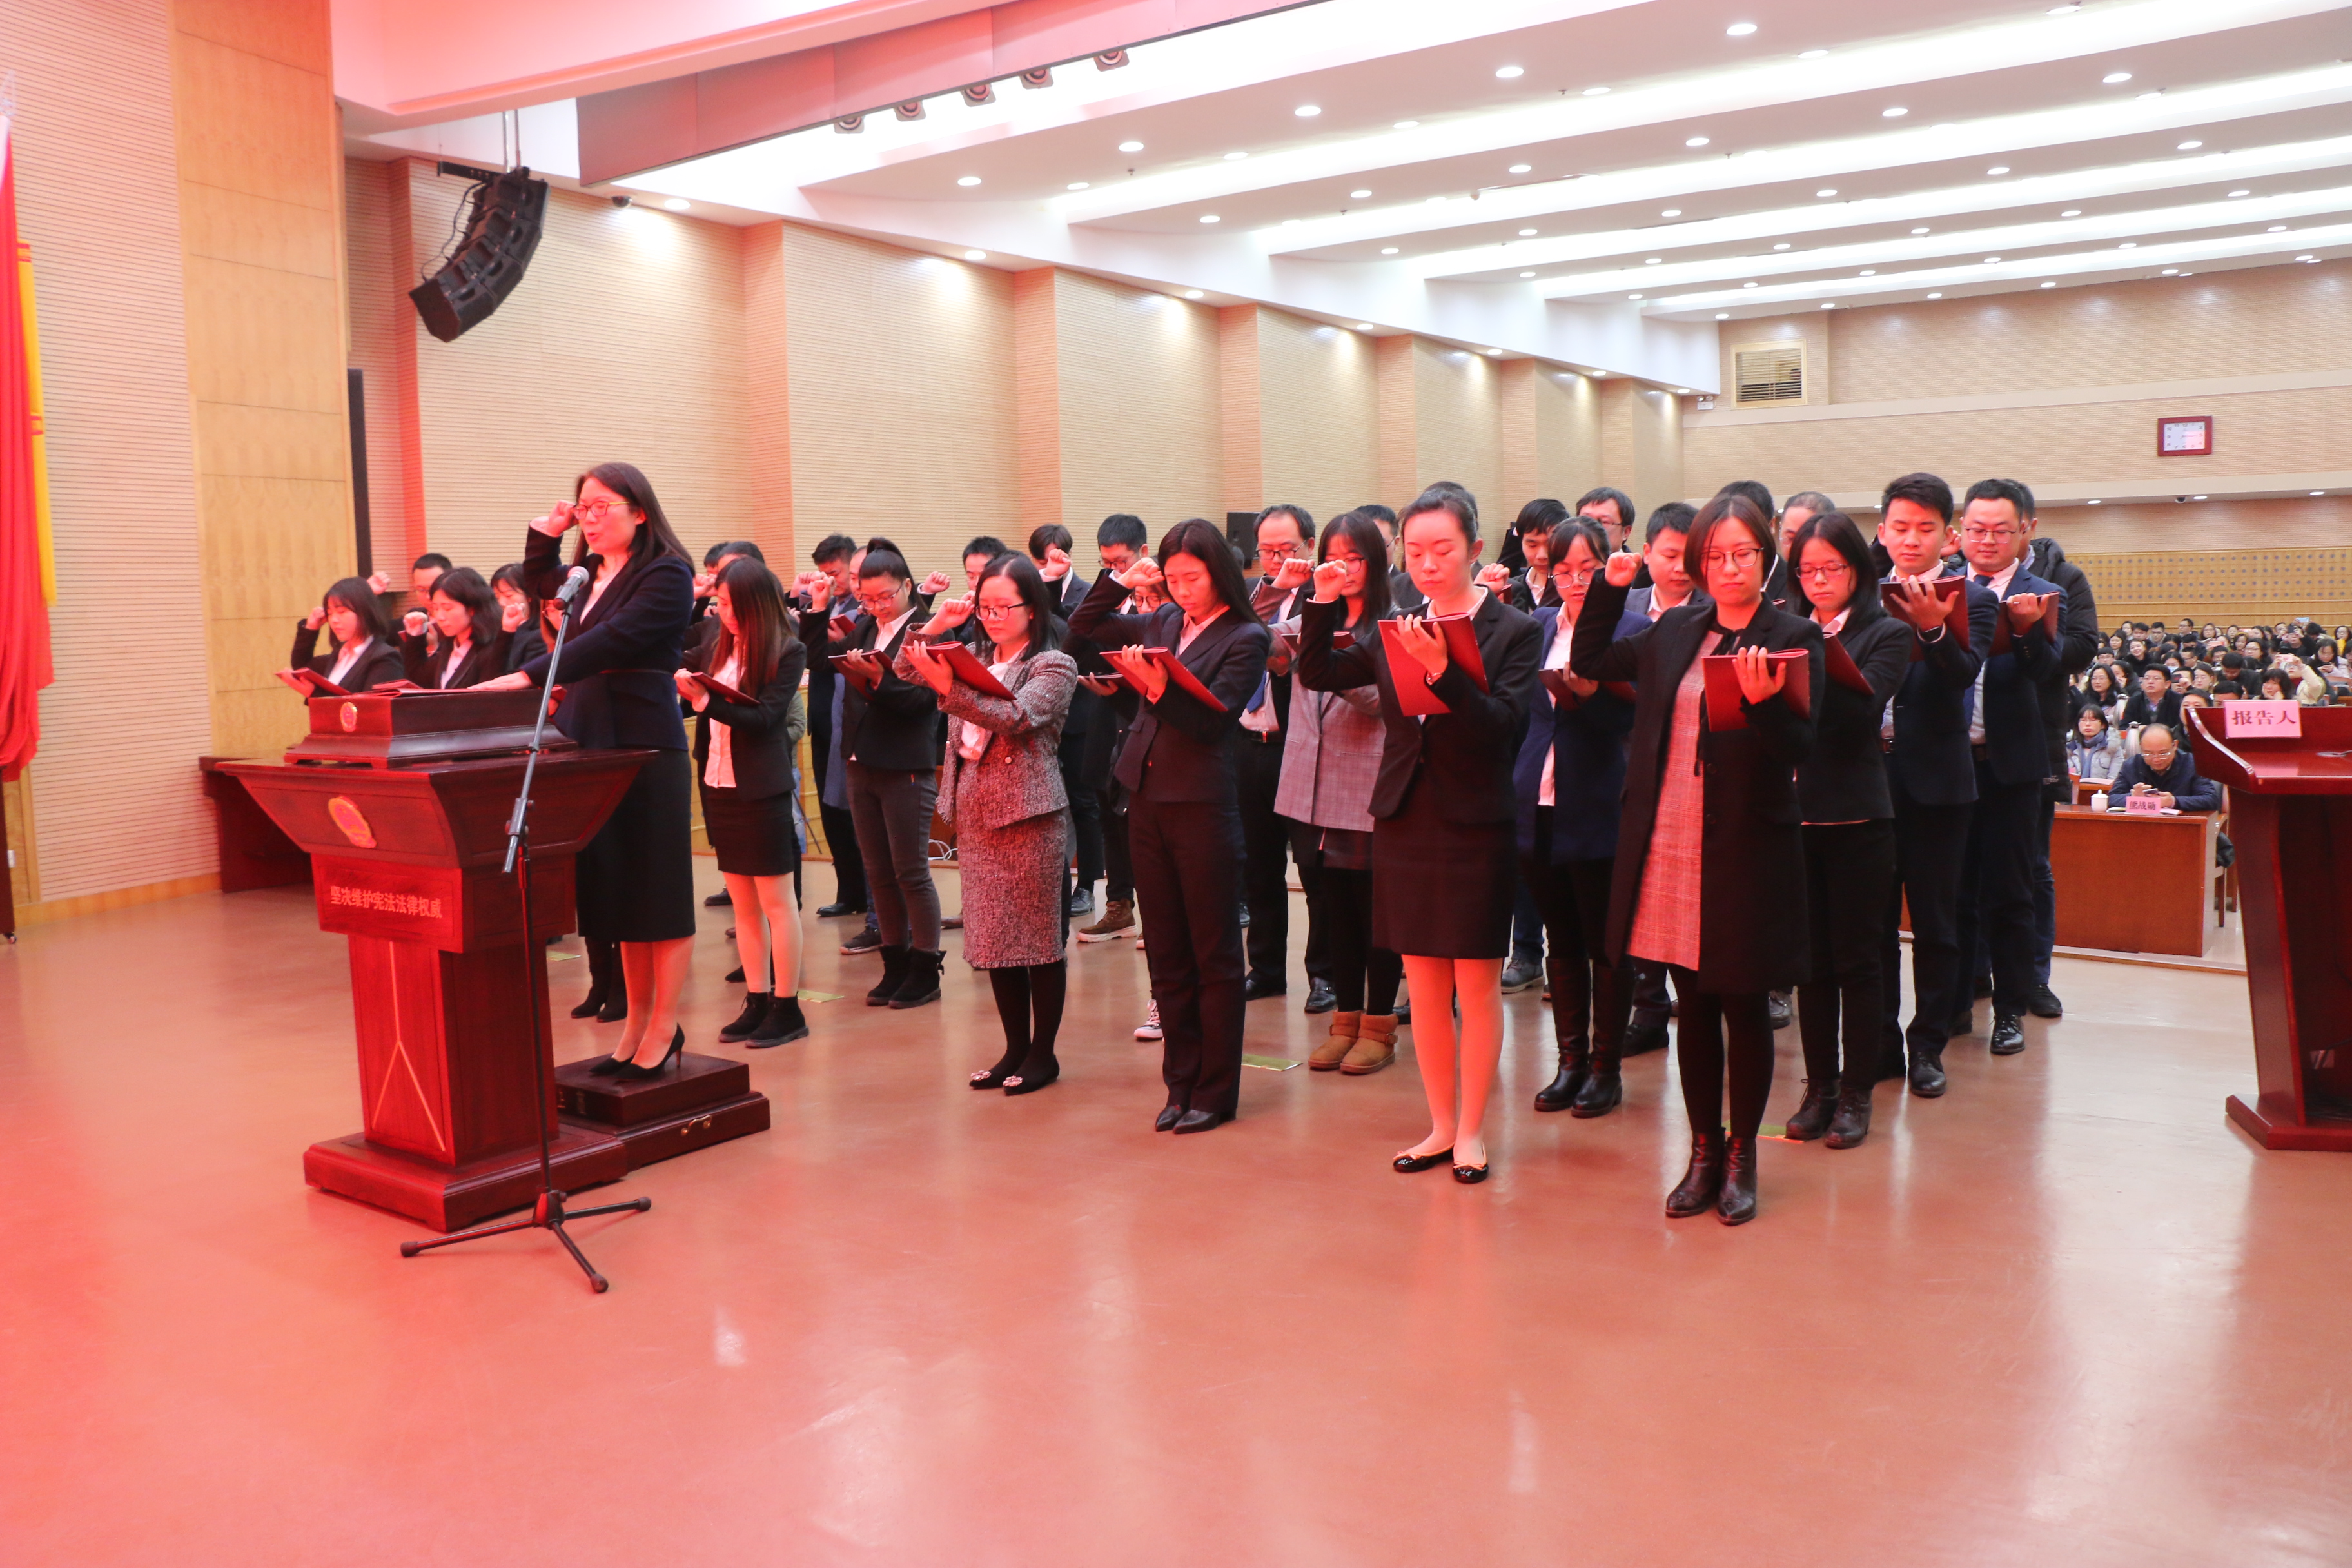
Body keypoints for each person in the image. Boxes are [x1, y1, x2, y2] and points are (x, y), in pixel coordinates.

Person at [1572, 492, 1822, 1223]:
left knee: (1742, 1002)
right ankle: (1703, 1149)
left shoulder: (1794, 635)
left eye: (1743, 553)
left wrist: (1765, 702)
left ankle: (1743, 1154)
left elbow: (1801, 746)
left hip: (1746, 844)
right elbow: (1590, 659)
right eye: (1715, 555)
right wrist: (1608, 588)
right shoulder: (1676, 628)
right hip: (1671, 836)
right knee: (1693, 1004)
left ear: (1766, 556)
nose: (1730, 567)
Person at [1297, 485, 1541, 1184]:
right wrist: (1320, 602)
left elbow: (1503, 728)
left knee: (1476, 984)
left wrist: (1441, 670)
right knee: (1426, 985)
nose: (1428, 564)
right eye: (1416, 551)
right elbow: (1319, 671)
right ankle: (1439, 1125)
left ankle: (1472, 1131)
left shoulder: (1514, 630)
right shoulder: (1395, 624)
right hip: (1406, 816)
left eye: (1443, 550)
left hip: (1475, 822)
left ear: (1474, 547)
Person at [473, 462, 698, 1079]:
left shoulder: (668, 572)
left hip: (645, 740)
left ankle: (664, 1025)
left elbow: (614, 640)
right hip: (588, 737)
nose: (590, 520)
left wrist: (529, 675)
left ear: (640, 512)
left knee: (658, 891)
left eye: (603, 507)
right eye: (584, 509)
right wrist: (544, 535)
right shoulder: (586, 574)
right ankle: (635, 1022)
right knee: (617, 890)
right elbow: (542, 582)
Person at [1070, 519, 1271, 1134]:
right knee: (1164, 948)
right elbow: (1080, 631)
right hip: (1146, 795)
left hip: (1203, 802)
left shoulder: (1246, 636)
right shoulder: (1161, 621)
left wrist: (1159, 688)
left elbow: (1214, 724)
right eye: (1174, 579)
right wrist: (1118, 581)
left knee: (1213, 951)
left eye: (1194, 578)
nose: (1183, 590)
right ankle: (1179, 1082)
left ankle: (1215, 1090)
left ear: (1221, 575)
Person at [900, 554, 1079, 1093]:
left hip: (1029, 814)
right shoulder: (970, 653)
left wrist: (949, 688)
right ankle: (1013, 1050)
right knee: (995, 940)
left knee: (1038, 942)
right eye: (985, 607)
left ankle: (1044, 1055)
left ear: (1033, 608)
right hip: (976, 812)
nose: (993, 616)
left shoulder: (1053, 665)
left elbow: (1016, 717)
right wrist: (936, 624)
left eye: (1005, 607)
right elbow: (903, 669)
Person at [1783, 511, 1913, 1148]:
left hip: (1859, 814)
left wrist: (1811, 656)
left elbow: (1862, 711)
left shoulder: (1886, 632)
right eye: (1807, 570)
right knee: (1810, 964)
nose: (1818, 580)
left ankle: (1858, 1092)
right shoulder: (1784, 629)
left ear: (1858, 570)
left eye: (1831, 568)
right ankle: (1820, 1088)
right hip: (1794, 814)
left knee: (1859, 960)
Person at [1513, 516, 1642, 1115]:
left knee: (1605, 941)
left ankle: (1605, 1068)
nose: (1574, 581)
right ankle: (1569, 1062)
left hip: (1598, 799)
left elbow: (1636, 719)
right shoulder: (1540, 625)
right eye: (1562, 570)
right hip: (1536, 797)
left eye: (1587, 569)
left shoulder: (1632, 628)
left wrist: (1592, 698)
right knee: (1559, 936)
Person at [1877, 473, 1997, 1100]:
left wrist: (1931, 627)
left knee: (1937, 923)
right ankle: (1878, 1045)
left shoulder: (1972, 598)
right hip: (1869, 779)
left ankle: (1927, 1045)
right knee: (1871, 925)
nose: (1911, 539)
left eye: (1925, 528)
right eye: (1900, 527)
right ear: (1882, 532)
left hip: (1939, 784)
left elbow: (1961, 675)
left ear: (1948, 536)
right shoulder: (1860, 596)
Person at [1276, 512, 1404, 1075]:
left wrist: (1331, 664)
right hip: (1308, 782)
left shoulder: (1392, 622)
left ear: (1376, 562)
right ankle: (1345, 1021)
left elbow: (1384, 702)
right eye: (1333, 558)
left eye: (1355, 558)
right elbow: (1260, 640)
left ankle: (1379, 1024)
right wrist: (1284, 588)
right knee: (1330, 910)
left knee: (1374, 911)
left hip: (1365, 781)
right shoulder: (1311, 612)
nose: (1344, 569)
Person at [801, 547, 947, 1009]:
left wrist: (880, 682)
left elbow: (925, 703)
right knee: (878, 872)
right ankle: (894, 963)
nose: (877, 606)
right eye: (868, 598)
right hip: (860, 762)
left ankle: (925, 968)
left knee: (911, 873)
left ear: (907, 586)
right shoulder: (865, 626)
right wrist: (818, 608)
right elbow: (821, 660)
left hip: (905, 764)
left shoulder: (928, 629)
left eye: (885, 597)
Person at [1950, 480, 2066, 1059]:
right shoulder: (1941, 590)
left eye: (2001, 530)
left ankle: (2010, 1011)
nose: (1988, 540)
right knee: (1953, 892)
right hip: (1949, 764)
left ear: (2025, 531)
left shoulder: (2042, 593)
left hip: (2011, 767)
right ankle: (1952, 1004)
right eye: (1977, 529)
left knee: (2012, 893)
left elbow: (2050, 670)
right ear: (1960, 532)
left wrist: (2024, 633)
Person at [674, 556, 811, 1046]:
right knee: (743, 905)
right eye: (719, 604)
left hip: (760, 787)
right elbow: (672, 650)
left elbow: (766, 720)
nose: (724, 614)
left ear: (757, 603)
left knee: (777, 903)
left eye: (732, 605)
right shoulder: (717, 643)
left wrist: (705, 701)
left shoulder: (788, 650)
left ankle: (787, 1007)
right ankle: (756, 999)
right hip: (718, 784)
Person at [1620, 499, 1704, 1055]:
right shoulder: (1627, 607)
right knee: (1638, 893)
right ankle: (1647, 1008)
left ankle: (1693, 1004)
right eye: (1669, 555)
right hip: (1621, 759)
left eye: (1689, 557)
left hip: (1684, 770)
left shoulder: (1714, 613)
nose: (1679, 568)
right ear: (1647, 552)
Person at [1236, 504, 1325, 1007]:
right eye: (1267, 550)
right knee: (1259, 867)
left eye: (1287, 549)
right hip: (1250, 745)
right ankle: (1266, 969)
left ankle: (1324, 975)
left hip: (1303, 747)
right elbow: (1234, 638)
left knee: (1313, 868)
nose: (1276, 559)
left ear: (1310, 546)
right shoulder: (1253, 596)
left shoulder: (1325, 596)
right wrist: (1271, 591)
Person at [1074, 513, 1150, 946]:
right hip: (1105, 714)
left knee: (1140, 822)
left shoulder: (1158, 596)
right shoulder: (1107, 599)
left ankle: (1156, 914)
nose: (1116, 571)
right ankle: (1118, 906)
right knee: (1107, 811)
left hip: (1143, 717)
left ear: (1143, 552)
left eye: (1122, 562)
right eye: (1107, 563)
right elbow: (1074, 640)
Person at [799, 533, 870, 926]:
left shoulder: (866, 609)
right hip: (826, 718)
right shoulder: (823, 603)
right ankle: (849, 892)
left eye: (837, 572)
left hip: (857, 721)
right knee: (831, 810)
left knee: (858, 813)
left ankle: (870, 899)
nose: (832, 580)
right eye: (824, 573)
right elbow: (809, 656)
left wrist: (846, 640)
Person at [397, 565, 507, 689]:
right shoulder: (450, 646)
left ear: (472, 609)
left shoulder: (492, 651)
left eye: (447, 608)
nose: (440, 617)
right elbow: (419, 680)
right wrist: (416, 637)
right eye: (435, 608)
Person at [291, 577, 402, 692]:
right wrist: (311, 629)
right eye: (330, 613)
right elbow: (302, 667)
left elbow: (372, 703)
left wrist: (315, 694)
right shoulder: (340, 655)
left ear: (364, 611)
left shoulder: (385, 658)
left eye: (341, 612)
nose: (334, 620)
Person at [2112, 723, 2222, 810]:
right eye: (2149, 754)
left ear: (2175, 745)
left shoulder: (2193, 764)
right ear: (2141, 747)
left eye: (2163, 753)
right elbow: (2113, 797)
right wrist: (2133, 799)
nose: (2156, 759)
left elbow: (2210, 799)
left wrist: (2173, 801)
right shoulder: (2131, 765)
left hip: (2182, 825)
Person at [491, 562, 547, 674]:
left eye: (508, 595)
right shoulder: (493, 630)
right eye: (497, 597)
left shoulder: (540, 635)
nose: (501, 603)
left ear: (529, 595)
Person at [2068, 704, 2126, 785]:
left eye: (2093, 720)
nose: (2087, 724)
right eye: (2083, 720)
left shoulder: (2113, 748)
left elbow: (2114, 780)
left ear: (2103, 725)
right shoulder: (2069, 749)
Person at [1573, 486, 1636, 554]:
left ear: (1626, 532)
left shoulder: (1635, 561)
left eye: (1604, 522)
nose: (1591, 528)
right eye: (1586, 520)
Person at [2122, 665, 2180, 734]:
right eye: (2147, 678)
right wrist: (2135, 728)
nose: (2150, 682)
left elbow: (2181, 728)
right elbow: (2123, 726)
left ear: (2167, 684)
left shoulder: (2179, 700)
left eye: (2156, 678)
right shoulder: (2134, 701)